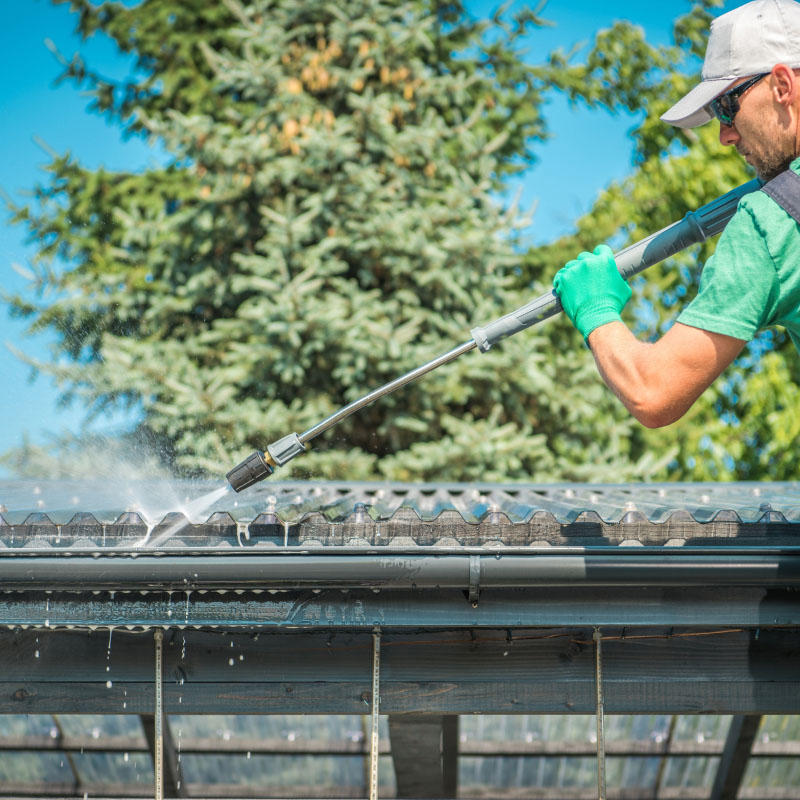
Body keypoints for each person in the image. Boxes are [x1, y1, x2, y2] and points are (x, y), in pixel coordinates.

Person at [552, 0, 800, 428]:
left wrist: (596, 310)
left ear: (781, 85)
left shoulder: (773, 221)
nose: (725, 136)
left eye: (727, 107)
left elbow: (653, 392)